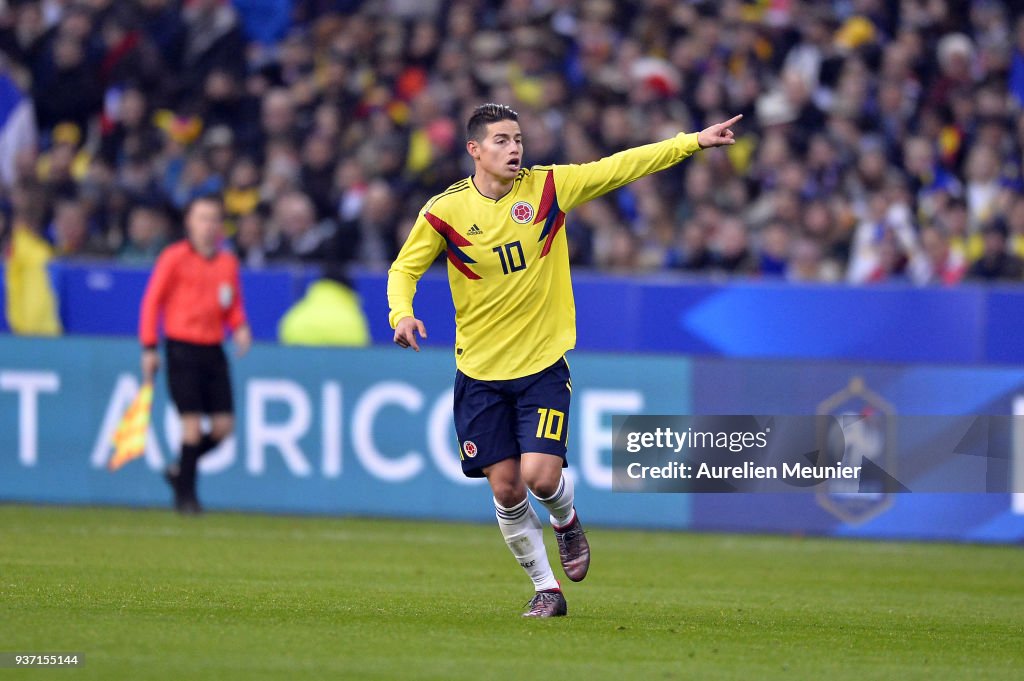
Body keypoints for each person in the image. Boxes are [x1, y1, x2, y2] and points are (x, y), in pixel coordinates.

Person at [387, 103, 741, 617]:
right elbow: (404, 268)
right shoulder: (445, 212)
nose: (514, 149)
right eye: (503, 141)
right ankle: (547, 590)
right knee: (506, 488)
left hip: (541, 367)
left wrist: (693, 142)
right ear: (475, 151)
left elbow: (622, 165)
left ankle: (567, 521)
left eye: (519, 139)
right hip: (479, 374)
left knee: (540, 477)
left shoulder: (550, 188)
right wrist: (402, 313)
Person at [139, 195, 251, 514]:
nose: (208, 225)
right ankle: (186, 498)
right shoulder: (173, 258)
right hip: (181, 349)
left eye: (213, 218)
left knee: (223, 428)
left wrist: (240, 326)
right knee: (191, 426)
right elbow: (152, 303)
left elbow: (232, 304)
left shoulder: (227, 262)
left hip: (213, 349)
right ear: (189, 222)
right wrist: (149, 346)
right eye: (202, 218)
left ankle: (179, 472)